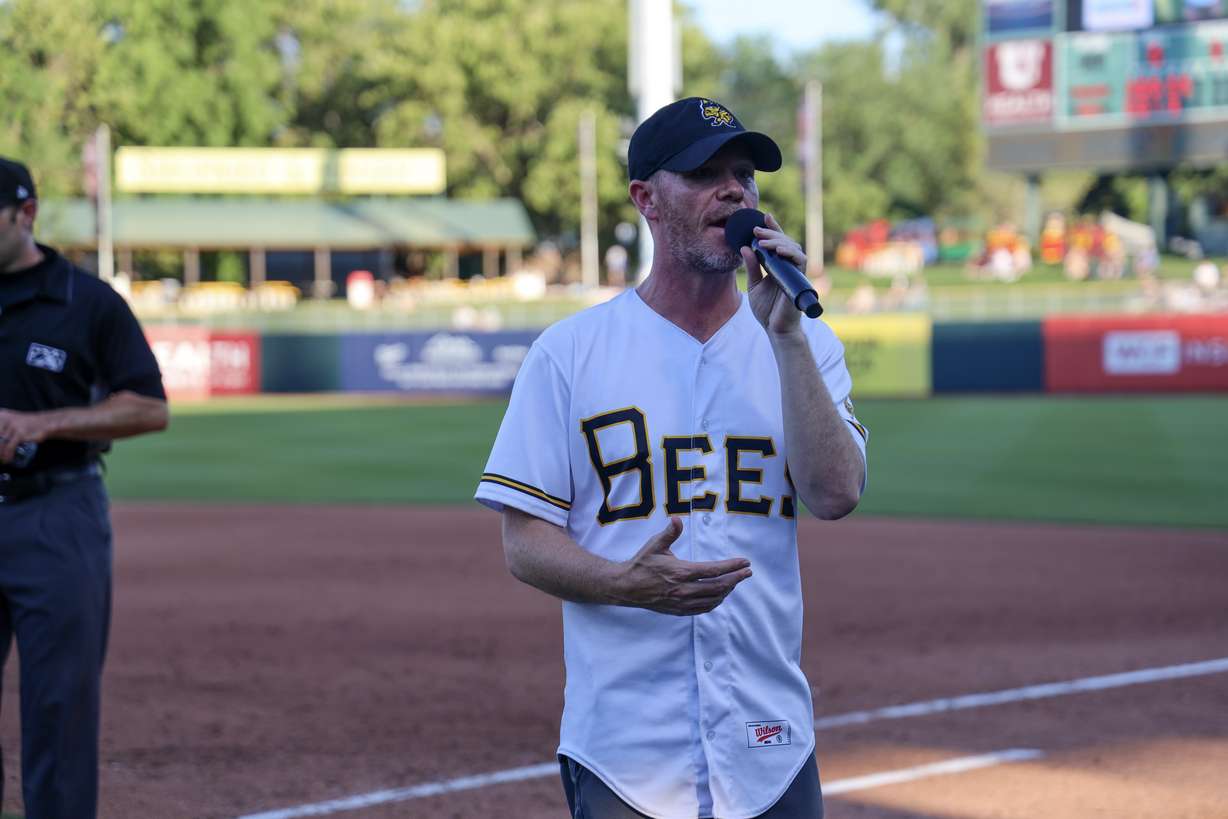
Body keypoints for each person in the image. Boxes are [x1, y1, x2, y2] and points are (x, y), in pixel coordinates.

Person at [475, 98, 868, 818]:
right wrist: (624, 582)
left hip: (770, 746)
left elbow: (837, 492)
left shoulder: (803, 343)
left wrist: (787, 339)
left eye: (744, 174)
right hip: (627, 754)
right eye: (704, 173)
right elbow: (523, 540)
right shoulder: (570, 355)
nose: (735, 191)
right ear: (645, 199)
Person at [0, 156, 169, 818]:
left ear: (26, 215)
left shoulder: (86, 301)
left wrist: (45, 422)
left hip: (56, 516)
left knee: (58, 708)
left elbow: (150, 407)